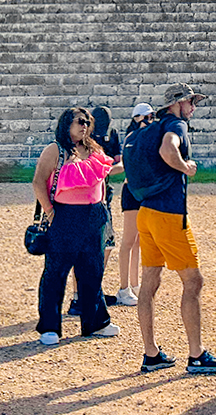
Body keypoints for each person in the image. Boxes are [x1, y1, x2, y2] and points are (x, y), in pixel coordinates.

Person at [133, 82, 216, 375]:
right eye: (191, 102)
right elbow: (168, 148)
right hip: (168, 214)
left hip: (146, 212)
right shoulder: (176, 124)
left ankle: (151, 354)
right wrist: (184, 166)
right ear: (178, 103)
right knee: (193, 281)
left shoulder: (150, 126)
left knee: (149, 281)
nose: (194, 107)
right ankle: (196, 355)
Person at [32, 107, 122, 345]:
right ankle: (49, 327)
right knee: (56, 272)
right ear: (66, 124)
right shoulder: (55, 150)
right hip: (65, 215)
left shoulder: (93, 149)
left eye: (87, 122)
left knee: (92, 270)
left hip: (94, 214)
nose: (84, 125)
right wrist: (50, 211)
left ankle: (96, 322)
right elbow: (38, 181)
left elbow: (102, 177)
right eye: (79, 121)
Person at [68, 105, 123, 318]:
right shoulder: (86, 143)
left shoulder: (103, 138)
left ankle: (87, 292)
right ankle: (80, 296)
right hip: (93, 198)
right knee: (97, 247)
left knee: (103, 248)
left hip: (100, 195)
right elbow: (111, 165)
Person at [113, 102, 153, 307]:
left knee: (138, 240)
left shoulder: (147, 137)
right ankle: (123, 287)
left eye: (151, 117)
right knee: (128, 241)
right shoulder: (132, 139)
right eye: (146, 117)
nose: (149, 121)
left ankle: (135, 284)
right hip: (132, 191)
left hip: (143, 191)